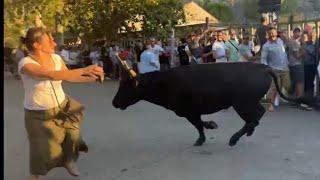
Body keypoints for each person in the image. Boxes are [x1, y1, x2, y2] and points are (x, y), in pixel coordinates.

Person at [18, 27, 104, 180]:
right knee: (41, 152)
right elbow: (50, 75)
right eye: (50, 40)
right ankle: (34, 176)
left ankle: (69, 161)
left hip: (63, 106)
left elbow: (68, 76)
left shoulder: (57, 59)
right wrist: (86, 68)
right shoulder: (25, 63)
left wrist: (92, 78)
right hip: (37, 115)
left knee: (74, 135)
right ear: (37, 45)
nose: (54, 43)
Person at [261, 27, 290, 112]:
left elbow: (287, 41)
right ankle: (268, 104)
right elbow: (263, 59)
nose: (272, 35)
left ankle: (278, 98)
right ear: (268, 35)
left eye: (274, 33)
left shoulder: (280, 41)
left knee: (287, 85)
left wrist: (282, 33)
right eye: (270, 33)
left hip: (285, 68)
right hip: (274, 69)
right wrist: (267, 68)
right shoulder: (266, 46)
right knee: (273, 87)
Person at [287, 27, 312, 110]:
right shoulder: (294, 42)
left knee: (295, 83)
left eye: (299, 32)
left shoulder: (291, 41)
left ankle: (295, 101)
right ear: (293, 33)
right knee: (300, 83)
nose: (298, 34)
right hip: (297, 65)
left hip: (292, 65)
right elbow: (297, 56)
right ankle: (300, 102)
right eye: (296, 32)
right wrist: (304, 47)